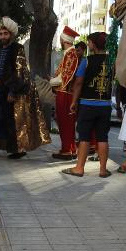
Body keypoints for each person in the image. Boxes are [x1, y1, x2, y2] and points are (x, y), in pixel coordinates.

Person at [0, 16, 51, 160]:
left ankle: (16, 150)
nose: (2, 36)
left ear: (11, 34)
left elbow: (20, 71)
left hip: (7, 91)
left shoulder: (17, 49)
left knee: (11, 122)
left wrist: (13, 90)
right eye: (0, 34)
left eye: (5, 34)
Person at [62, 32, 112, 178]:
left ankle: (79, 168)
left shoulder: (87, 61)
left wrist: (73, 101)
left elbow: (78, 83)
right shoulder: (112, 61)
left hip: (87, 104)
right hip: (105, 105)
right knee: (103, 137)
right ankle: (103, 170)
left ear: (94, 44)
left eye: (89, 43)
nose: (88, 45)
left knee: (84, 137)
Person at [51, 26, 82, 160]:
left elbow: (65, 77)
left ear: (63, 40)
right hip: (65, 93)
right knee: (65, 122)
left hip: (65, 93)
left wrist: (51, 82)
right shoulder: (70, 54)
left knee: (65, 122)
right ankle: (70, 149)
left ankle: (67, 150)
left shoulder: (70, 54)